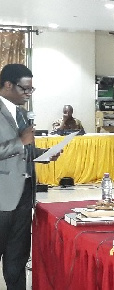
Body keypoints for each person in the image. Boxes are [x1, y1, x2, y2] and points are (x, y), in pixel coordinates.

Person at [0, 64, 59, 290]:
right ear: (8, 85)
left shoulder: (22, 113)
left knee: (18, 258)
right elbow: (18, 145)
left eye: (31, 90)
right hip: (2, 198)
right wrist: (20, 142)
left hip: (25, 195)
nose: (28, 94)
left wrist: (44, 154)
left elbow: (24, 150)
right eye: (25, 89)